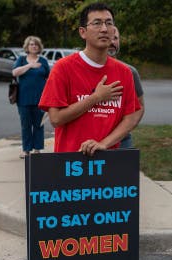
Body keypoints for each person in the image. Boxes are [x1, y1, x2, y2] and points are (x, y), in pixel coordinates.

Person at [38, 2, 141, 155]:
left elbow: (131, 117)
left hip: (109, 164)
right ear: (82, 32)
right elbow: (56, 119)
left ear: (114, 31)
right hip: (71, 164)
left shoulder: (124, 72)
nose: (104, 29)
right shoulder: (63, 68)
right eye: (97, 23)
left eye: (109, 23)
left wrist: (103, 144)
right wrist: (96, 97)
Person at [12, 36, 50, 158]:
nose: (34, 46)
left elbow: (50, 78)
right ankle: (26, 150)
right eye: (31, 44)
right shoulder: (22, 60)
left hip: (40, 99)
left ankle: (37, 149)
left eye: (36, 45)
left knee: (39, 124)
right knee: (26, 125)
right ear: (27, 47)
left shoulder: (43, 61)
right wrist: (30, 66)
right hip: (24, 99)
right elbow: (14, 73)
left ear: (39, 47)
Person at [108, 27, 145, 148]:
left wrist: (124, 130)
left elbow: (139, 107)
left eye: (115, 38)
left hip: (122, 141)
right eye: (109, 37)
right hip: (89, 140)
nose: (112, 42)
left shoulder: (130, 72)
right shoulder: (85, 70)